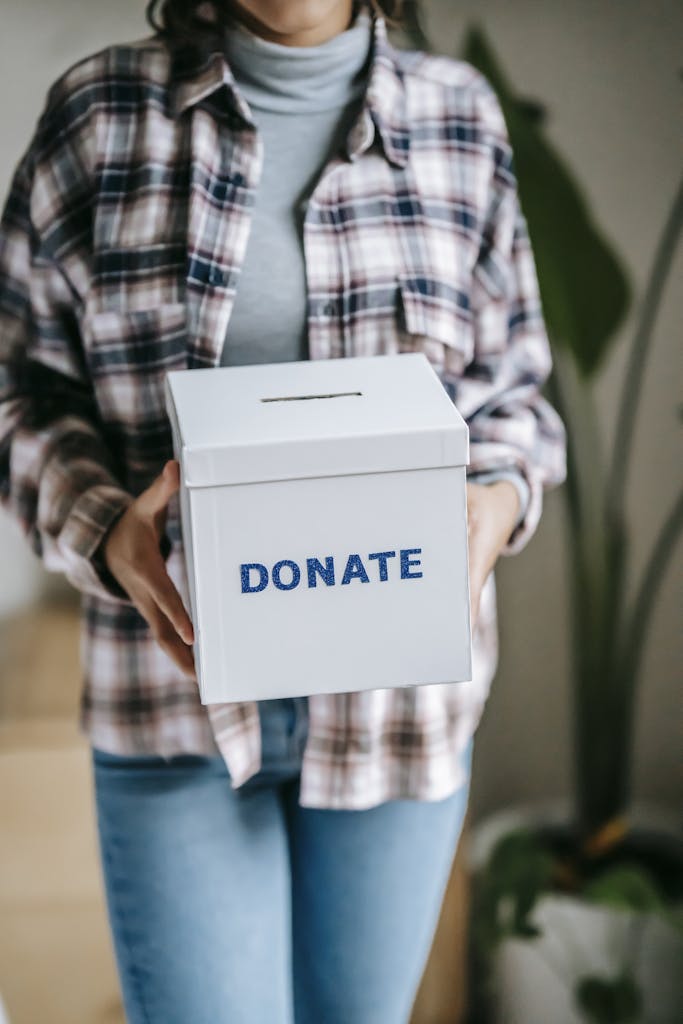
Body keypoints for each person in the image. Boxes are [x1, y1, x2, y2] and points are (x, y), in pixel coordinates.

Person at [0, 1, 566, 1021]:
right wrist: (103, 524)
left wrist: (491, 503)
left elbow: (514, 396)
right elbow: (19, 390)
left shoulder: (459, 119)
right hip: (172, 705)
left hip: (397, 716)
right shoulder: (98, 116)